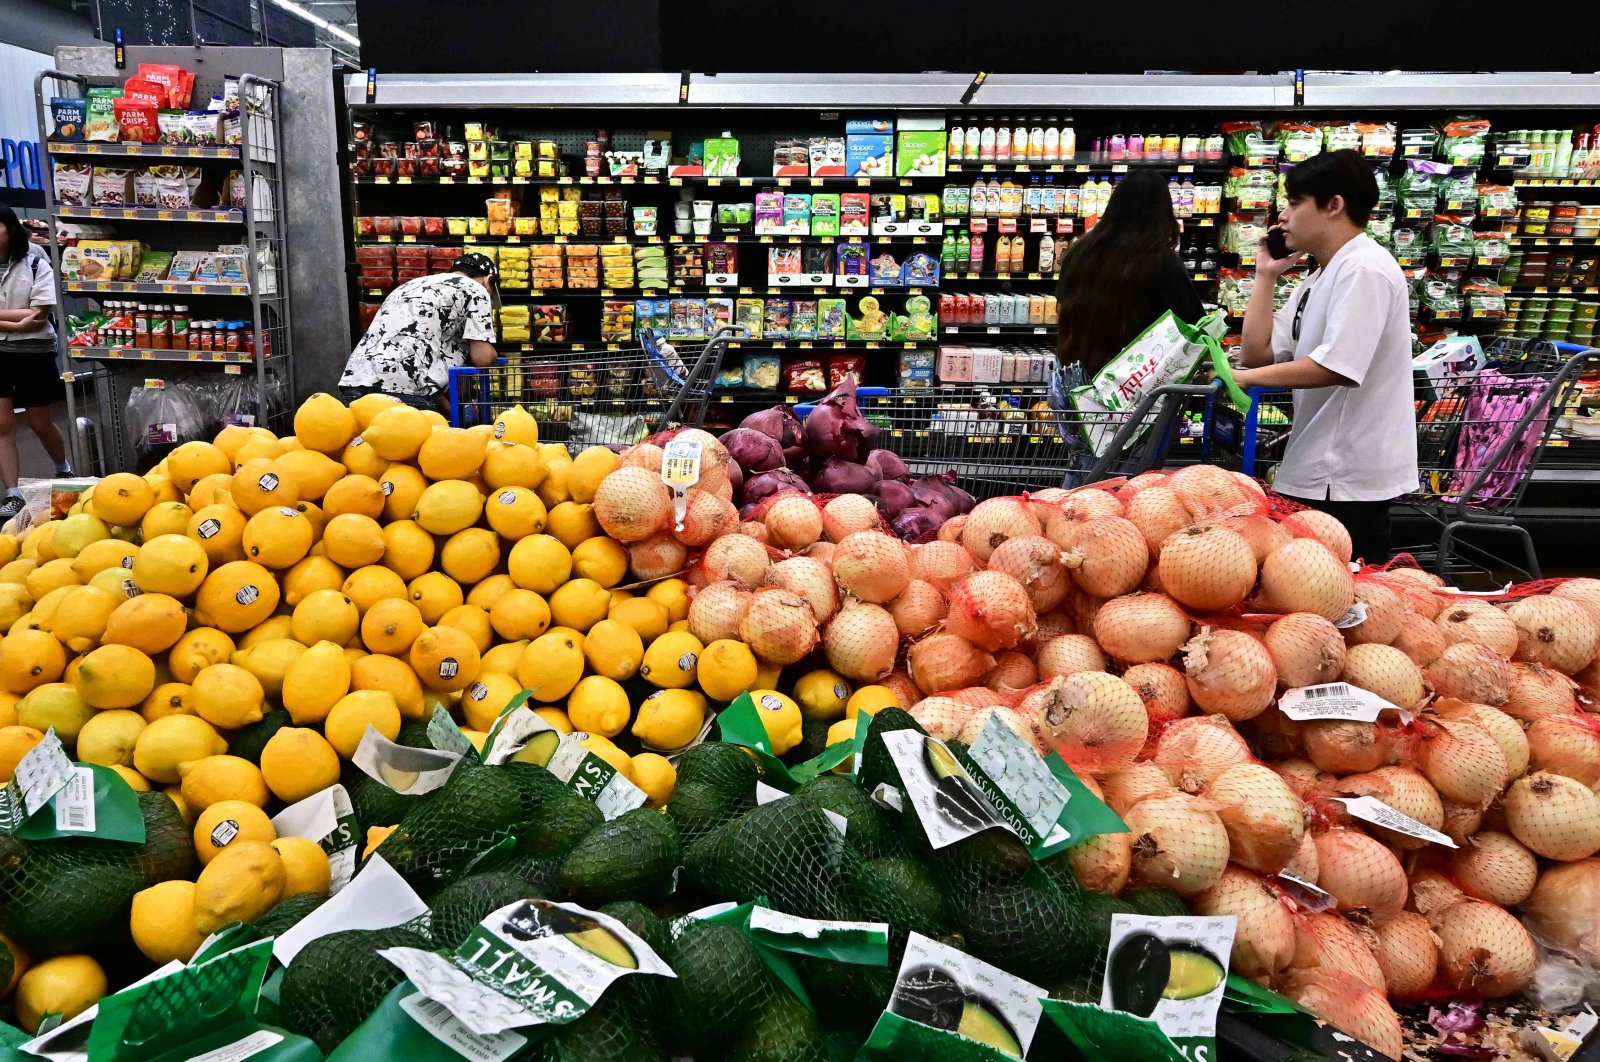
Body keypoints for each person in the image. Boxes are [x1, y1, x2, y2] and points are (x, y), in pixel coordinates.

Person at [1234, 150, 1419, 564]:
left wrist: (1244, 380)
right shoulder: (1321, 275)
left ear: (1333, 206)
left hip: (1347, 474)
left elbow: (1335, 367)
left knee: (1348, 600)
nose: (1283, 216)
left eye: (1295, 203)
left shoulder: (1365, 269)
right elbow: (1255, 354)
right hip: (1319, 465)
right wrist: (1265, 275)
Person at [1054, 170, 1206, 379]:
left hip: (1077, 375)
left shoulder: (1080, 251)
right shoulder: (1161, 261)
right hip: (1132, 386)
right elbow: (1193, 325)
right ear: (1163, 212)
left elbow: (1062, 298)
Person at [338, 251, 499, 410]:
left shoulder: (410, 286)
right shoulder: (476, 289)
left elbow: (417, 361)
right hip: (403, 391)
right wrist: (491, 354)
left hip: (355, 384)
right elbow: (482, 358)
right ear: (488, 280)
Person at [0, 204, 72, 523]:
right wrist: (15, 322)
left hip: (34, 350)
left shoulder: (33, 259)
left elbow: (41, 311)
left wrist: (20, 321)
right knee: (2, 425)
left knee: (39, 421)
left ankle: (64, 470)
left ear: (10, 228)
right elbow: (27, 315)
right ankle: (12, 494)